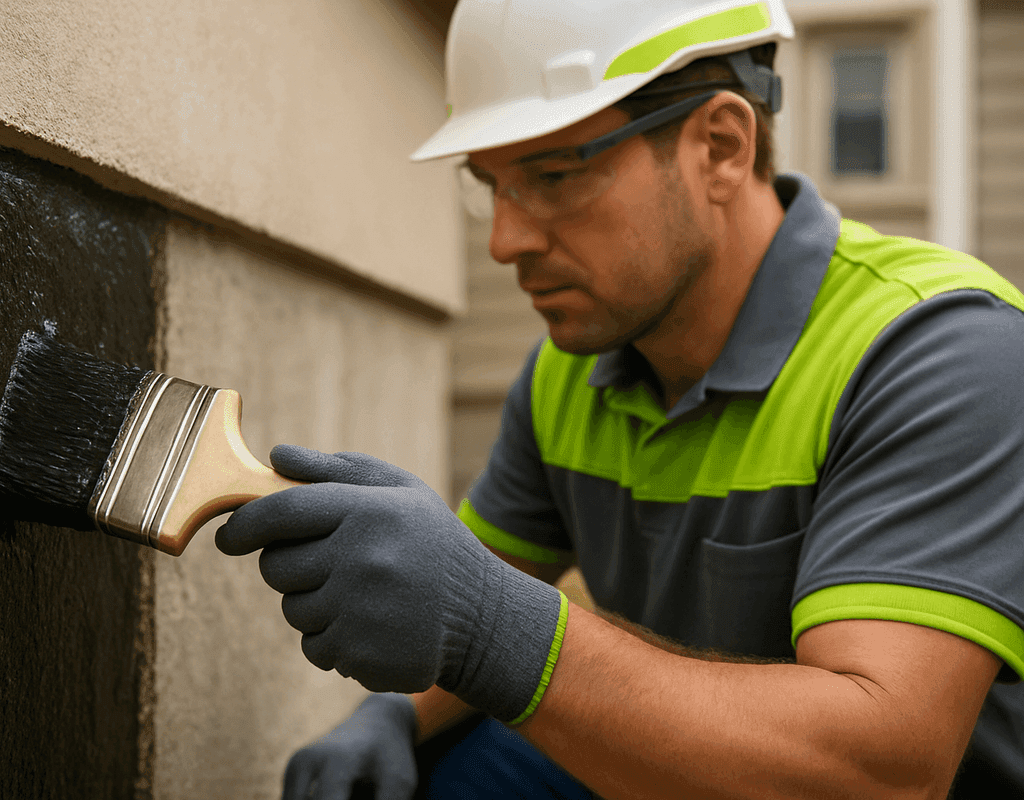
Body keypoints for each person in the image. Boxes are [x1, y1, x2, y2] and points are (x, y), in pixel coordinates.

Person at [216, 0, 1024, 797]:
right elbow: (474, 583)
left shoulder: (934, 350)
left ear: (721, 147)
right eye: (489, 185)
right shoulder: (571, 369)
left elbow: (883, 771)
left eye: (554, 175)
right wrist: (388, 715)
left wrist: (496, 626)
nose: (506, 241)